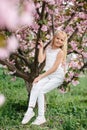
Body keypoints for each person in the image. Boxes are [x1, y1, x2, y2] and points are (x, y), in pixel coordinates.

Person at [22, 30, 68, 125]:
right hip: (48, 74)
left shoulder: (60, 52)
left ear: (63, 42)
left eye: (61, 40)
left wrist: (40, 76)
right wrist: (41, 48)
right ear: (54, 38)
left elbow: (54, 68)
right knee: (35, 85)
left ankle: (41, 117)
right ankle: (30, 111)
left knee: (41, 90)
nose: (59, 41)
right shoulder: (48, 48)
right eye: (57, 38)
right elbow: (40, 60)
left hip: (57, 76)